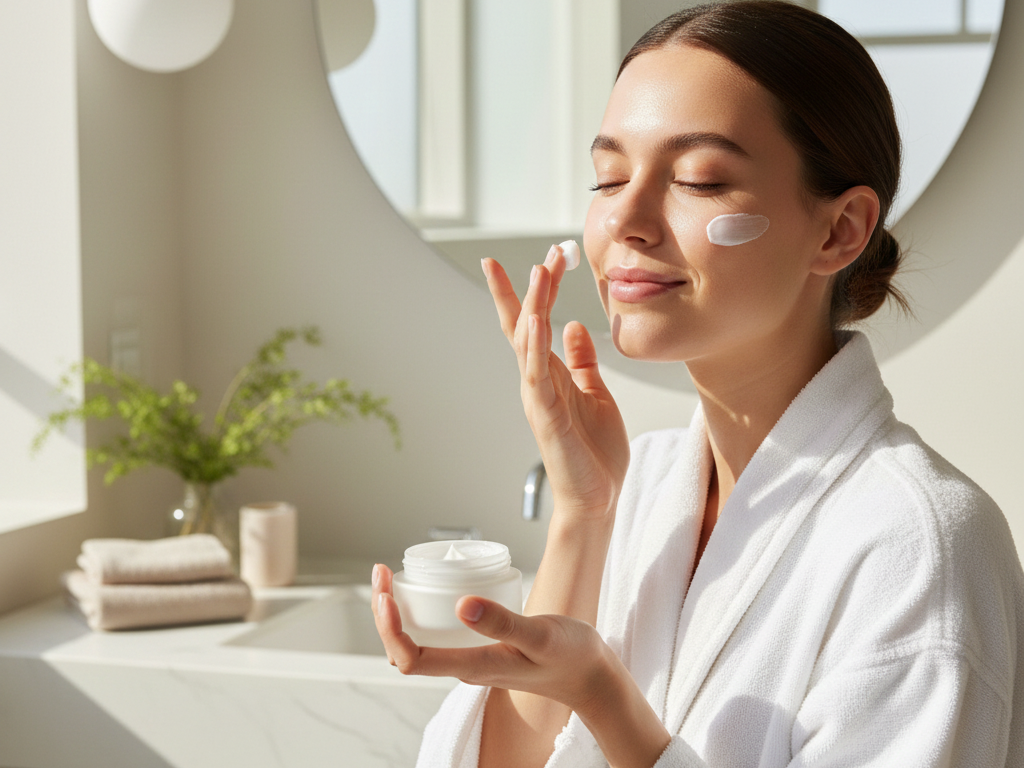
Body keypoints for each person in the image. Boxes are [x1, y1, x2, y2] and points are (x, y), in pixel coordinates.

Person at [371, 3, 1024, 766]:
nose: (628, 221)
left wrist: (609, 706)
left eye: (699, 180)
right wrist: (583, 513)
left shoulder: (922, 548)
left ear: (840, 229)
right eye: (609, 177)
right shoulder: (640, 488)